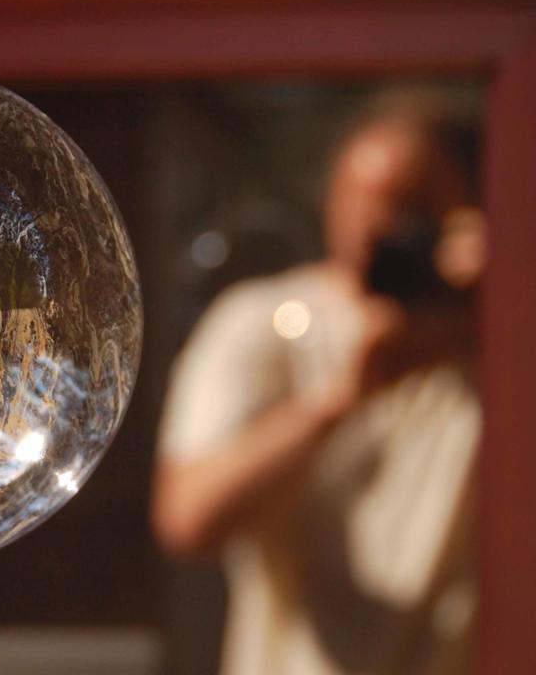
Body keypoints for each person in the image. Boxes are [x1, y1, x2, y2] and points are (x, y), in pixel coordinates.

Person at [152, 97, 484, 674]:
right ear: (330, 198)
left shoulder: (502, 330)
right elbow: (189, 519)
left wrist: (497, 304)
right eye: (364, 198)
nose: (381, 225)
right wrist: (340, 401)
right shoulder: (264, 321)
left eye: (413, 207)